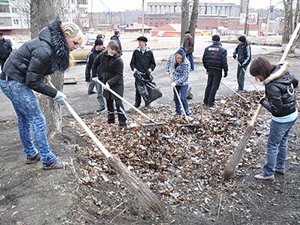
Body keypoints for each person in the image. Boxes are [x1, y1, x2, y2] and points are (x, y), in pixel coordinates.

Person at [0, 20, 84, 170]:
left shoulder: (49, 44)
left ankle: (32, 154)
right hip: (14, 83)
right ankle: (49, 160)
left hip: (9, 80)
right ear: (65, 36)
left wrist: (43, 75)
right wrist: (55, 93)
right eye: (75, 42)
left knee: (24, 118)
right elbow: (32, 82)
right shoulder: (45, 49)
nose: (76, 47)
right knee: (38, 119)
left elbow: (33, 68)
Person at [249, 57, 298, 180]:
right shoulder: (283, 71)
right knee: (283, 141)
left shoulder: (271, 86)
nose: (257, 79)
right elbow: (295, 82)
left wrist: (264, 102)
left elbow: (277, 110)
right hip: (293, 113)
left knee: (272, 145)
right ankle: (280, 167)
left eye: (257, 75)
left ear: (262, 71)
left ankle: (268, 172)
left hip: (282, 119)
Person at [92, 40, 127, 128]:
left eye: (115, 50)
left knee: (118, 103)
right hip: (106, 81)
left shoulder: (118, 60)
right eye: (112, 49)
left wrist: (109, 83)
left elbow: (119, 75)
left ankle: (123, 123)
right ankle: (111, 120)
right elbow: (95, 64)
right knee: (109, 101)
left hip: (117, 84)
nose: (113, 51)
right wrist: (94, 75)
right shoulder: (102, 56)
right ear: (107, 47)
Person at [202, 34, 228, 108]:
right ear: (219, 40)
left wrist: (207, 67)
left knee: (209, 85)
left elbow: (204, 60)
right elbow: (224, 62)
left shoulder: (207, 49)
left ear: (212, 40)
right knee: (214, 86)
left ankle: (206, 101)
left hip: (210, 68)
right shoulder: (223, 50)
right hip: (218, 69)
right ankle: (211, 102)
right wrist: (226, 70)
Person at [130, 36, 156, 108]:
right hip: (138, 74)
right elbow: (132, 63)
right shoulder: (136, 52)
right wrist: (134, 69)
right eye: (138, 42)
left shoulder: (149, 52)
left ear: (145, 43)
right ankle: (137, 103)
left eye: (141, 42)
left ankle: (147, 102)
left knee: (147, 89)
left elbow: (153, 63)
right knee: (138, 89)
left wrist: (150, 69)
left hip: (146, 74)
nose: (139, 43)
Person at [166, 47, 191, 117]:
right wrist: (167, 70)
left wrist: (176, 82)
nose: (179, 60)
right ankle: (178, 112)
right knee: (176, 98)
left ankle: (187, 113)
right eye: (178, 58)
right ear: (176, 56)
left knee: (183, 98)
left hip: (183, 83)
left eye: (181, 58)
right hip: (175, 80)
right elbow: (168, 62)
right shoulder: (172, 57)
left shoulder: (186, 63)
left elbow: (185, 76)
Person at [85, 38, 106, 112]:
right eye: (99, 45)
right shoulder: (91, 55)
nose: (101, 47)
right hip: (97, 76)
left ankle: (111, 105)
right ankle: (102, 105)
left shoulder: (105, 52)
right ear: (96, 45)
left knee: (108, 91)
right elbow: (88, 66)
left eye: (101, 45)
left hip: (105, 75)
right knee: (99, 92)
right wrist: (87, 76)